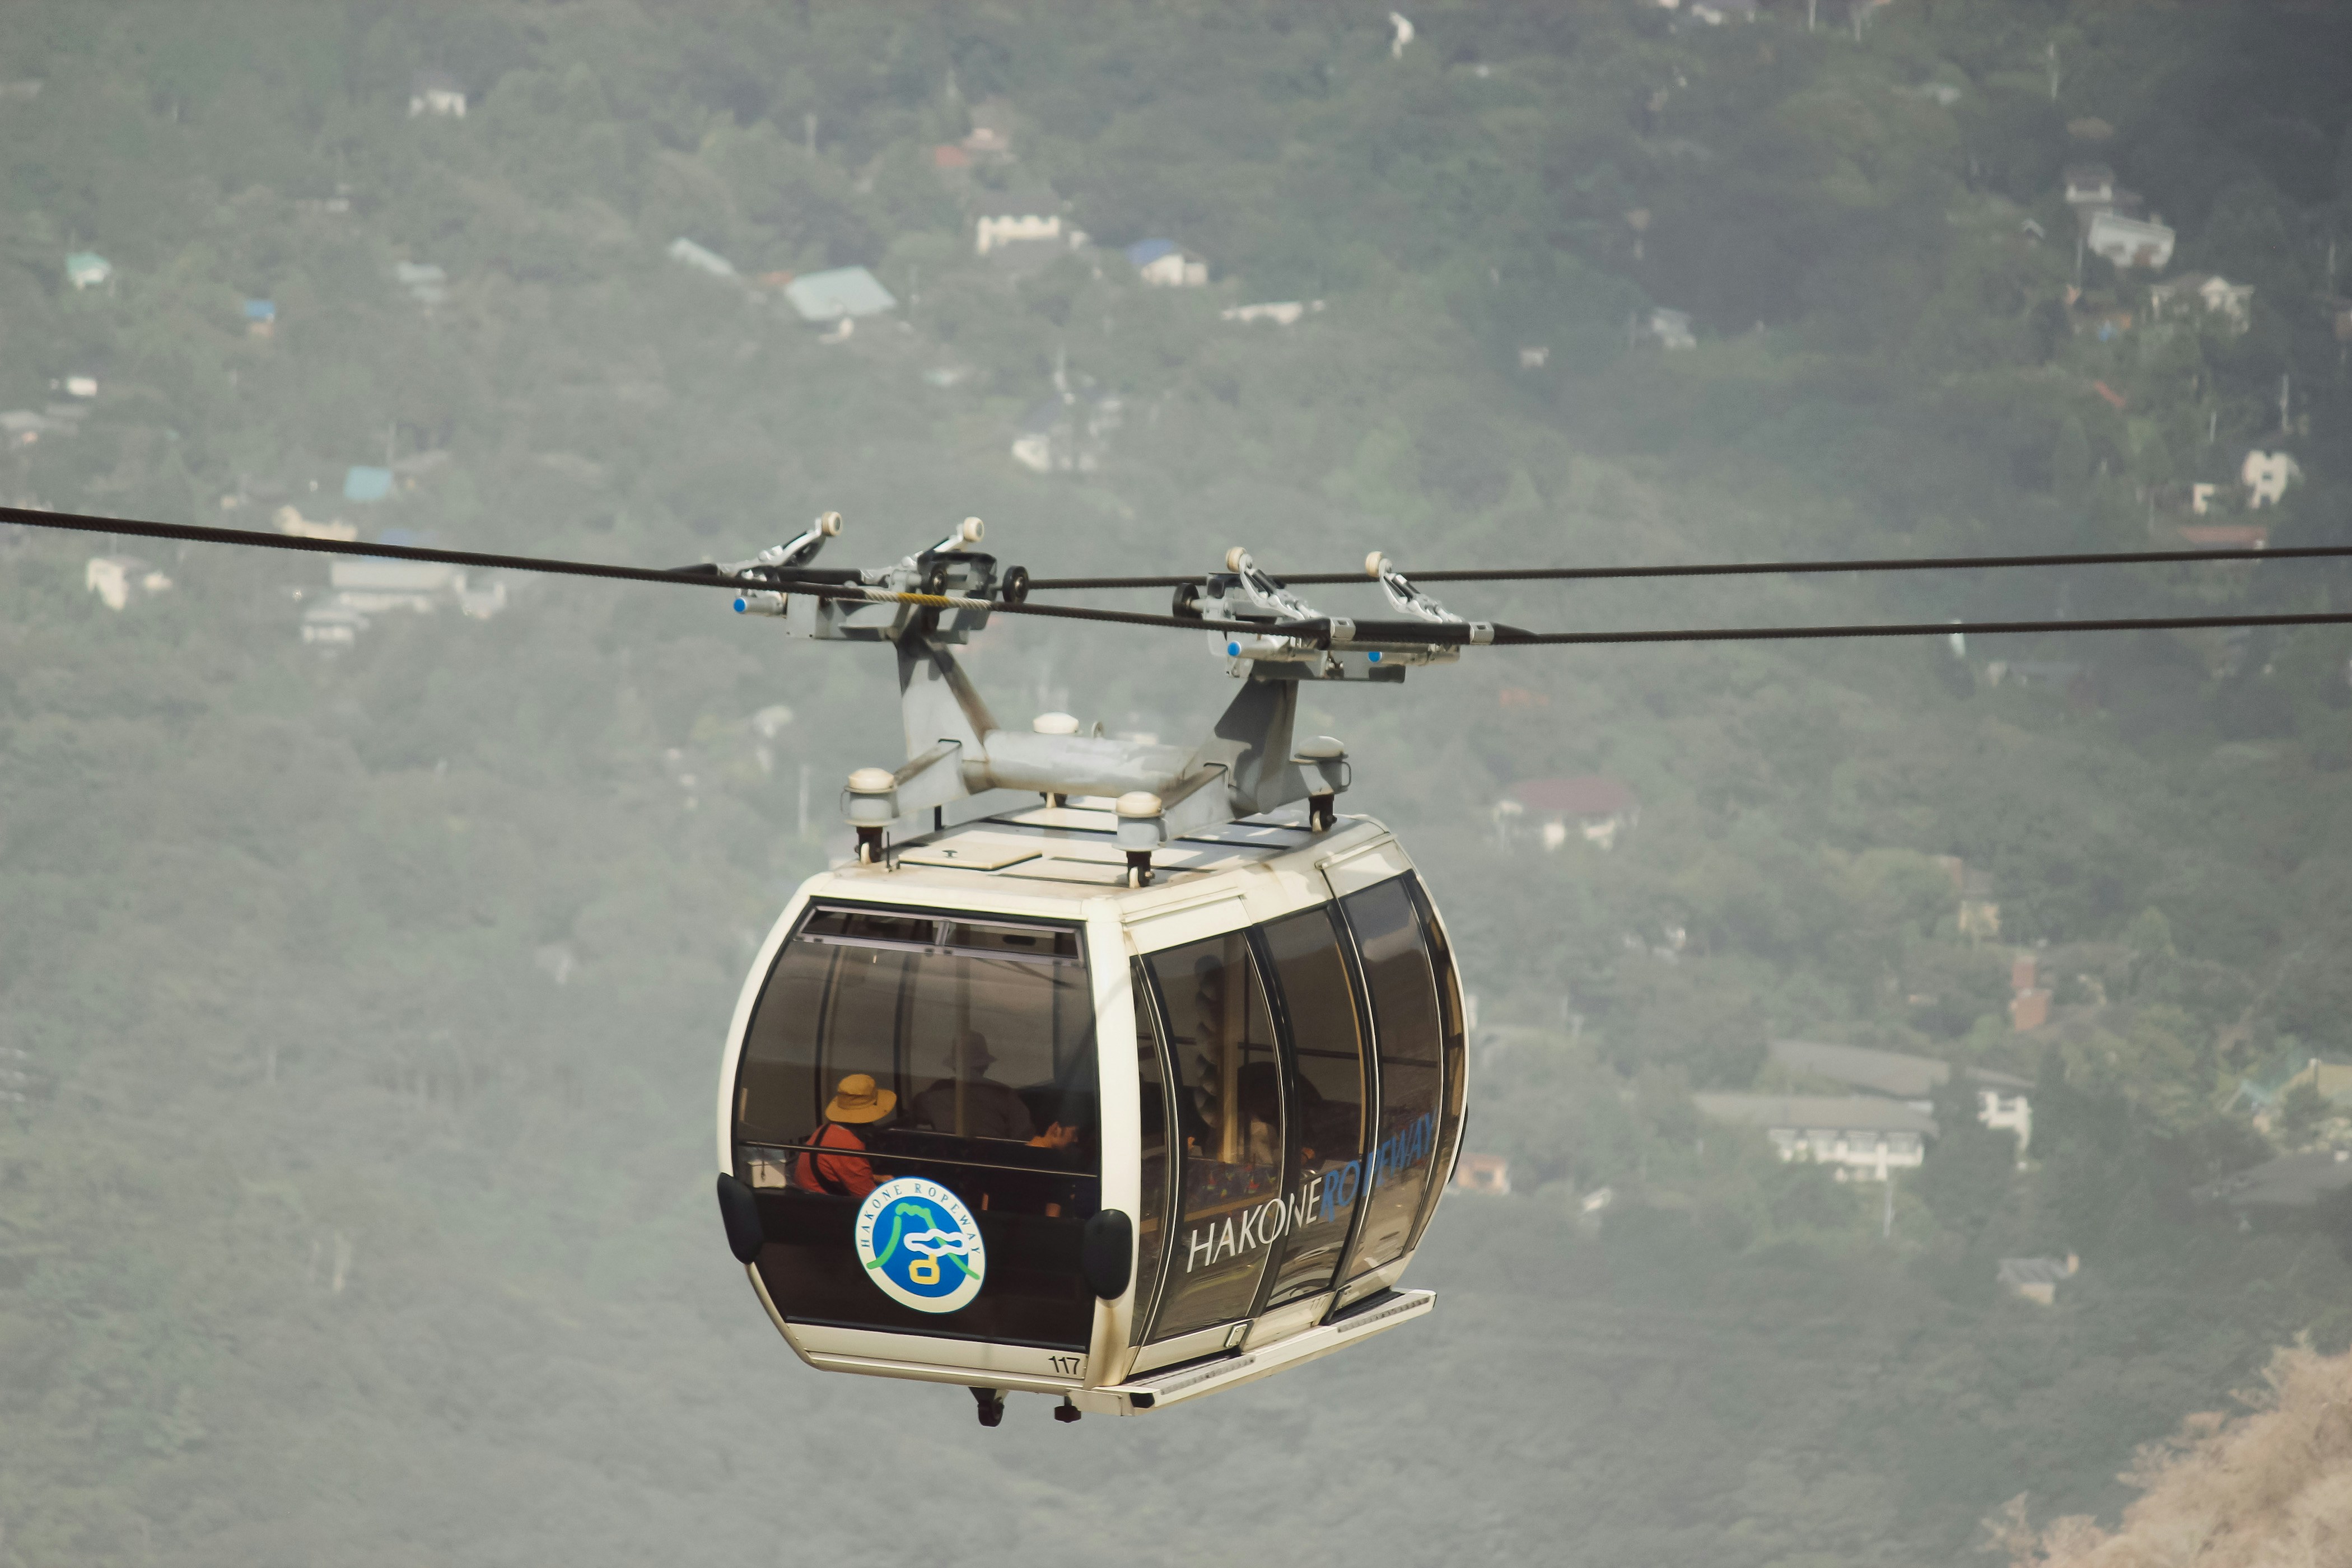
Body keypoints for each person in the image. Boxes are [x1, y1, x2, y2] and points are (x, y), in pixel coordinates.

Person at [911, 1032, 1077, 1150]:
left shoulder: (933, 1094)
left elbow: (912, 1117)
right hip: (995, 1171)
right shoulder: (1005, 1095)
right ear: (985, 1065)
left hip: (948, 1168)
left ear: (954, 1065)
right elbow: (1025, 1142)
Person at [795, 1072, 894, 1198]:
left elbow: (843, 1172)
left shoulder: (826, 1129)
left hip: (808, 1200)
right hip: (825, 1206)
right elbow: (870, 1198)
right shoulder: (849, 1146)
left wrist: (877, 1178)